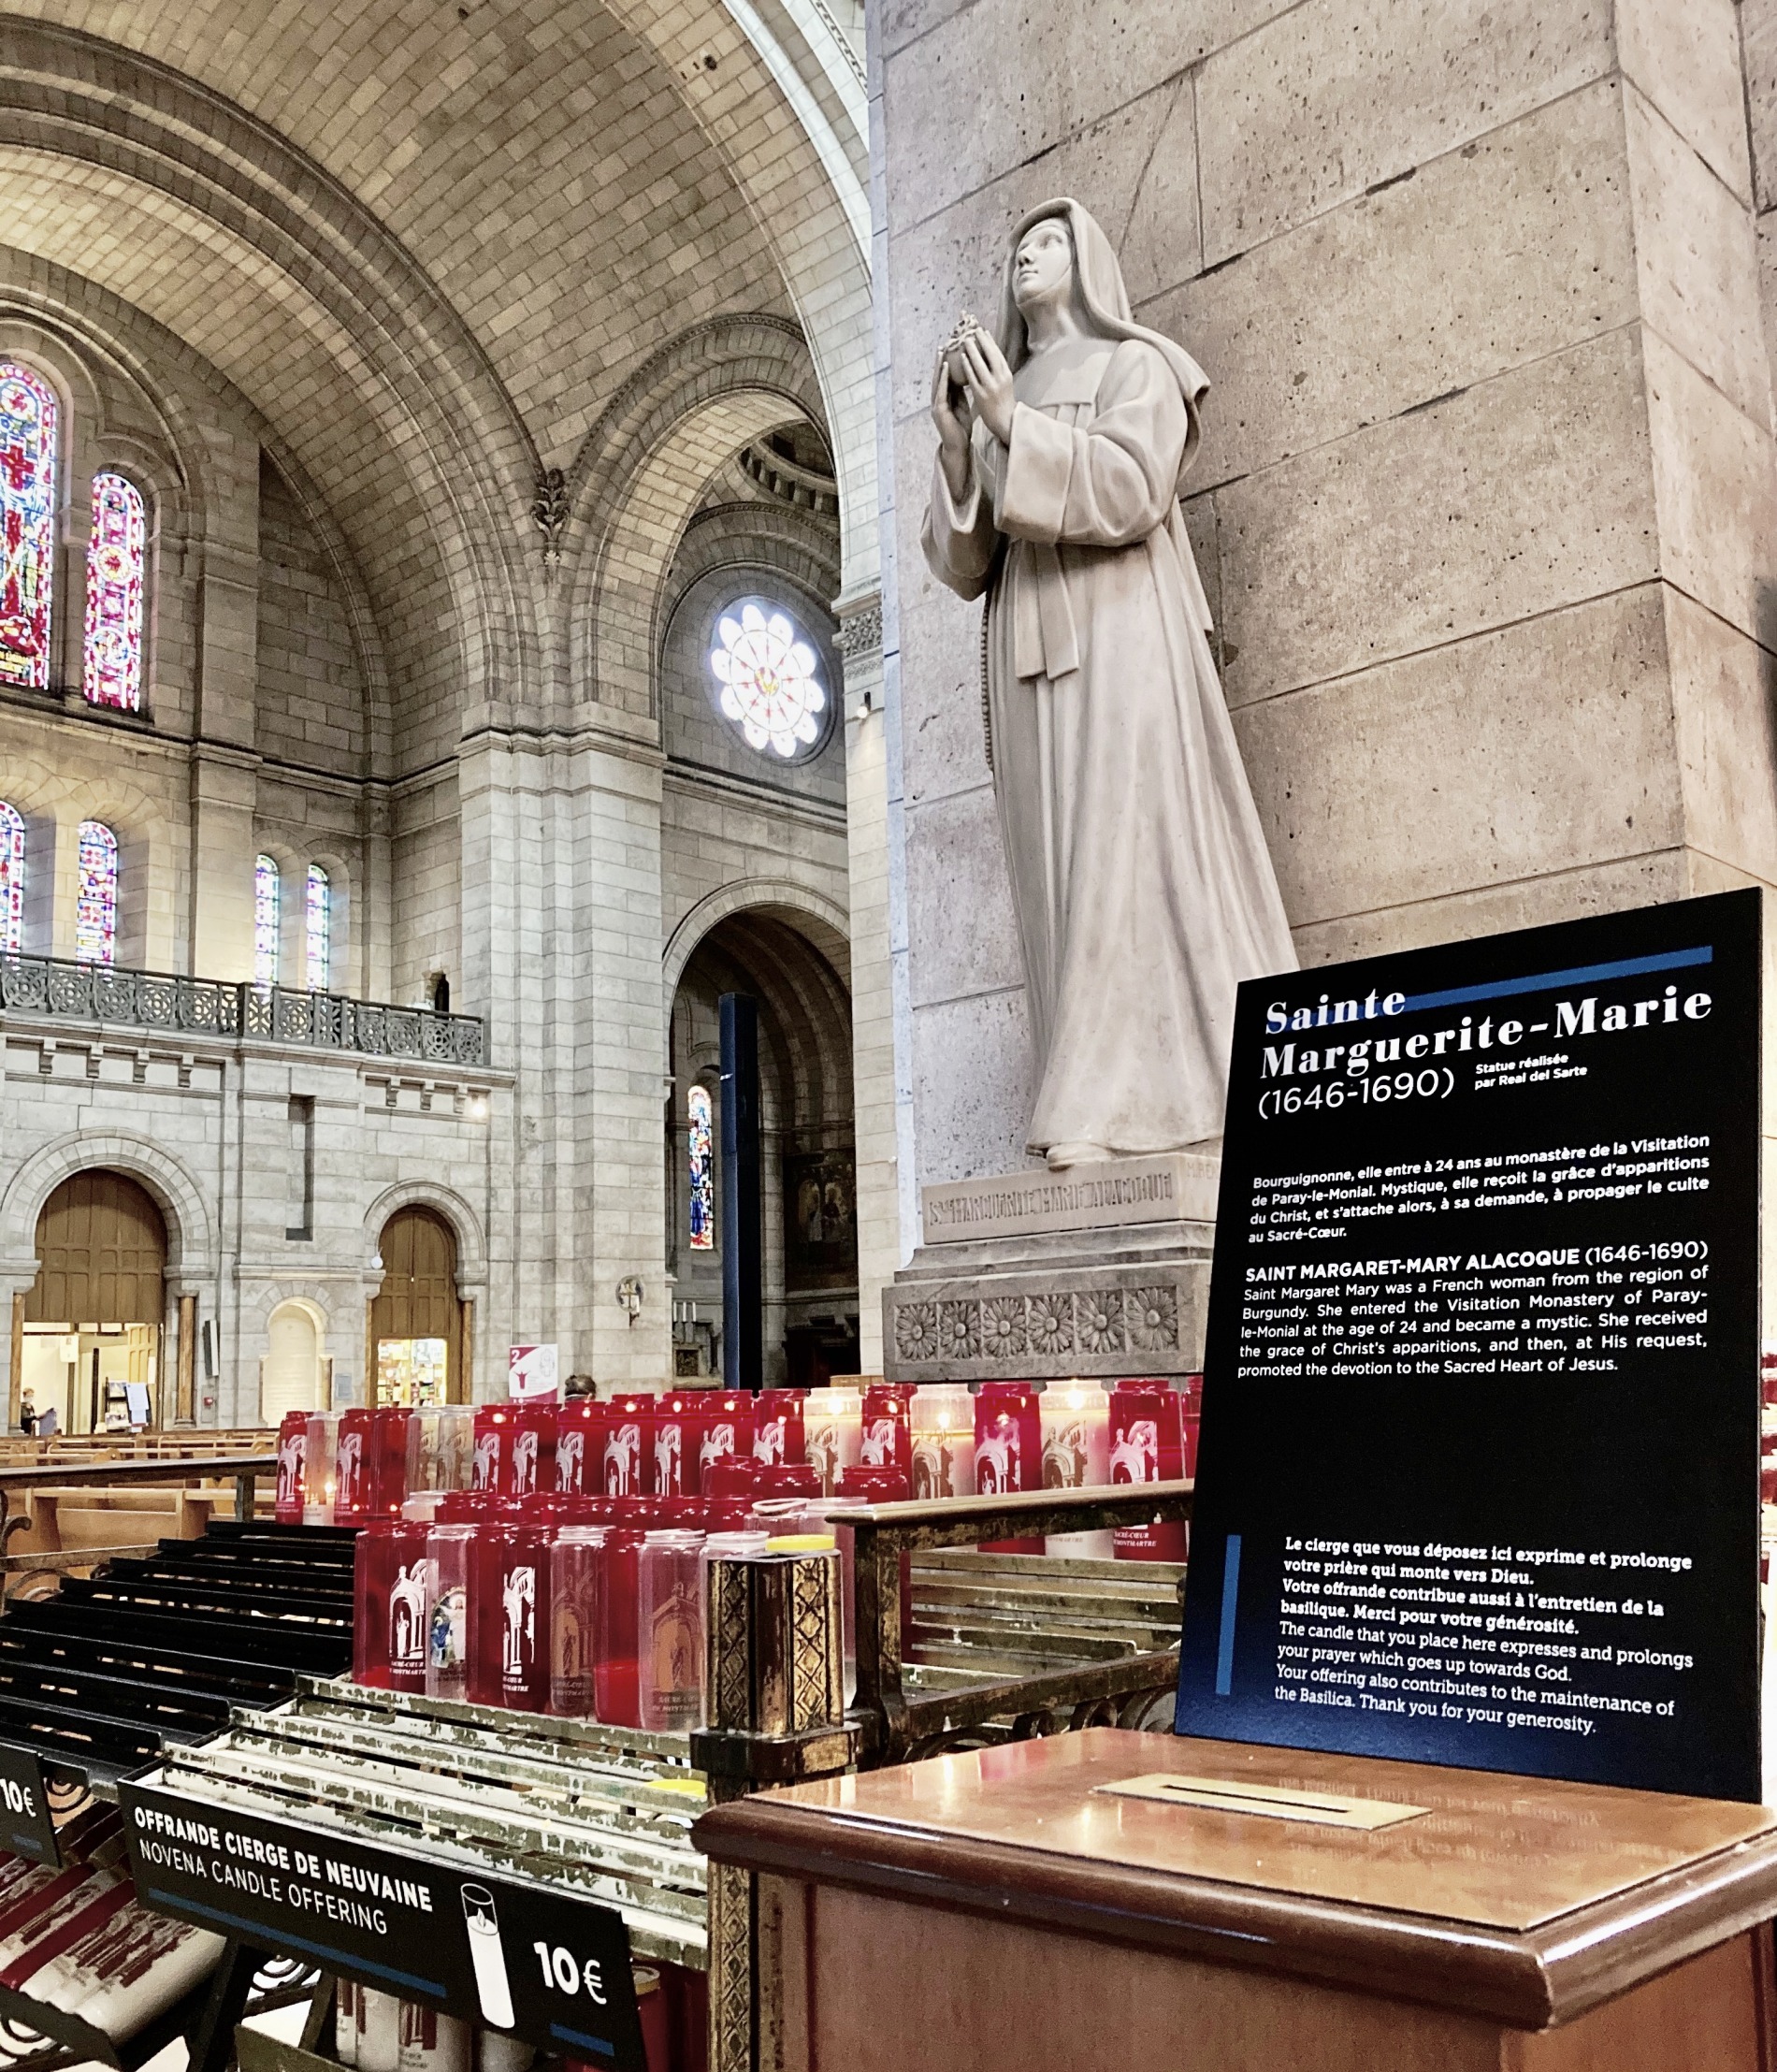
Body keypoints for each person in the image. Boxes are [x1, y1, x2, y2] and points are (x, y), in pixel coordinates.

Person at [924, 198, 1296, 1169]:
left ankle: (1118, 1101)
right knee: (1055, 874)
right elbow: (966, 565)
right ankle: (1089, 1084)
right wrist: (963, 445)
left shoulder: (1141, 365)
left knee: (1119, 852)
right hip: (1026, 653)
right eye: (1014, 246)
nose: (1024, 258)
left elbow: (1133, 491)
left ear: (1087, 260)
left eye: (1046, 242)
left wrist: (1015, 422)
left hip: (1120, 629)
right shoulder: (1009, 384)